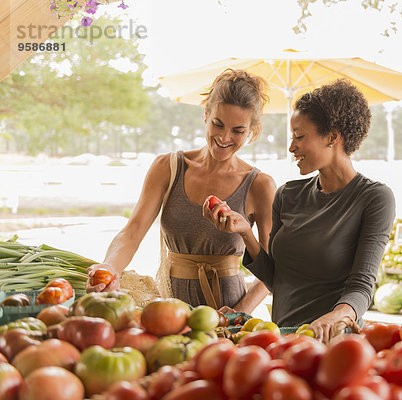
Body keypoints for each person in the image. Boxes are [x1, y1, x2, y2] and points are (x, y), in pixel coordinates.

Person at [205, 80, 396, 342]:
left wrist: (338, 315)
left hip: (333, 343)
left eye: (299, 137)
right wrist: (245, 233)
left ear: (332, 137)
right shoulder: (288, 194)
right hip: (282, 340)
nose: (292, 147)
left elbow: (362, 285)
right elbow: (277, 279)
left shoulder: (373, 198)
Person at [86, 69, 276, 314]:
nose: (224, 137)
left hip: (228, 312)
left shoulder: (260, 185)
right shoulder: (168, 167)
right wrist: (111, 267)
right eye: (218, 124)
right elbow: (132, 232)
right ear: (206, 115)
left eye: (238, 130)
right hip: (169, 307)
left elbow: (271, 269)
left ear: (252, 131)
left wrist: (239, 313)